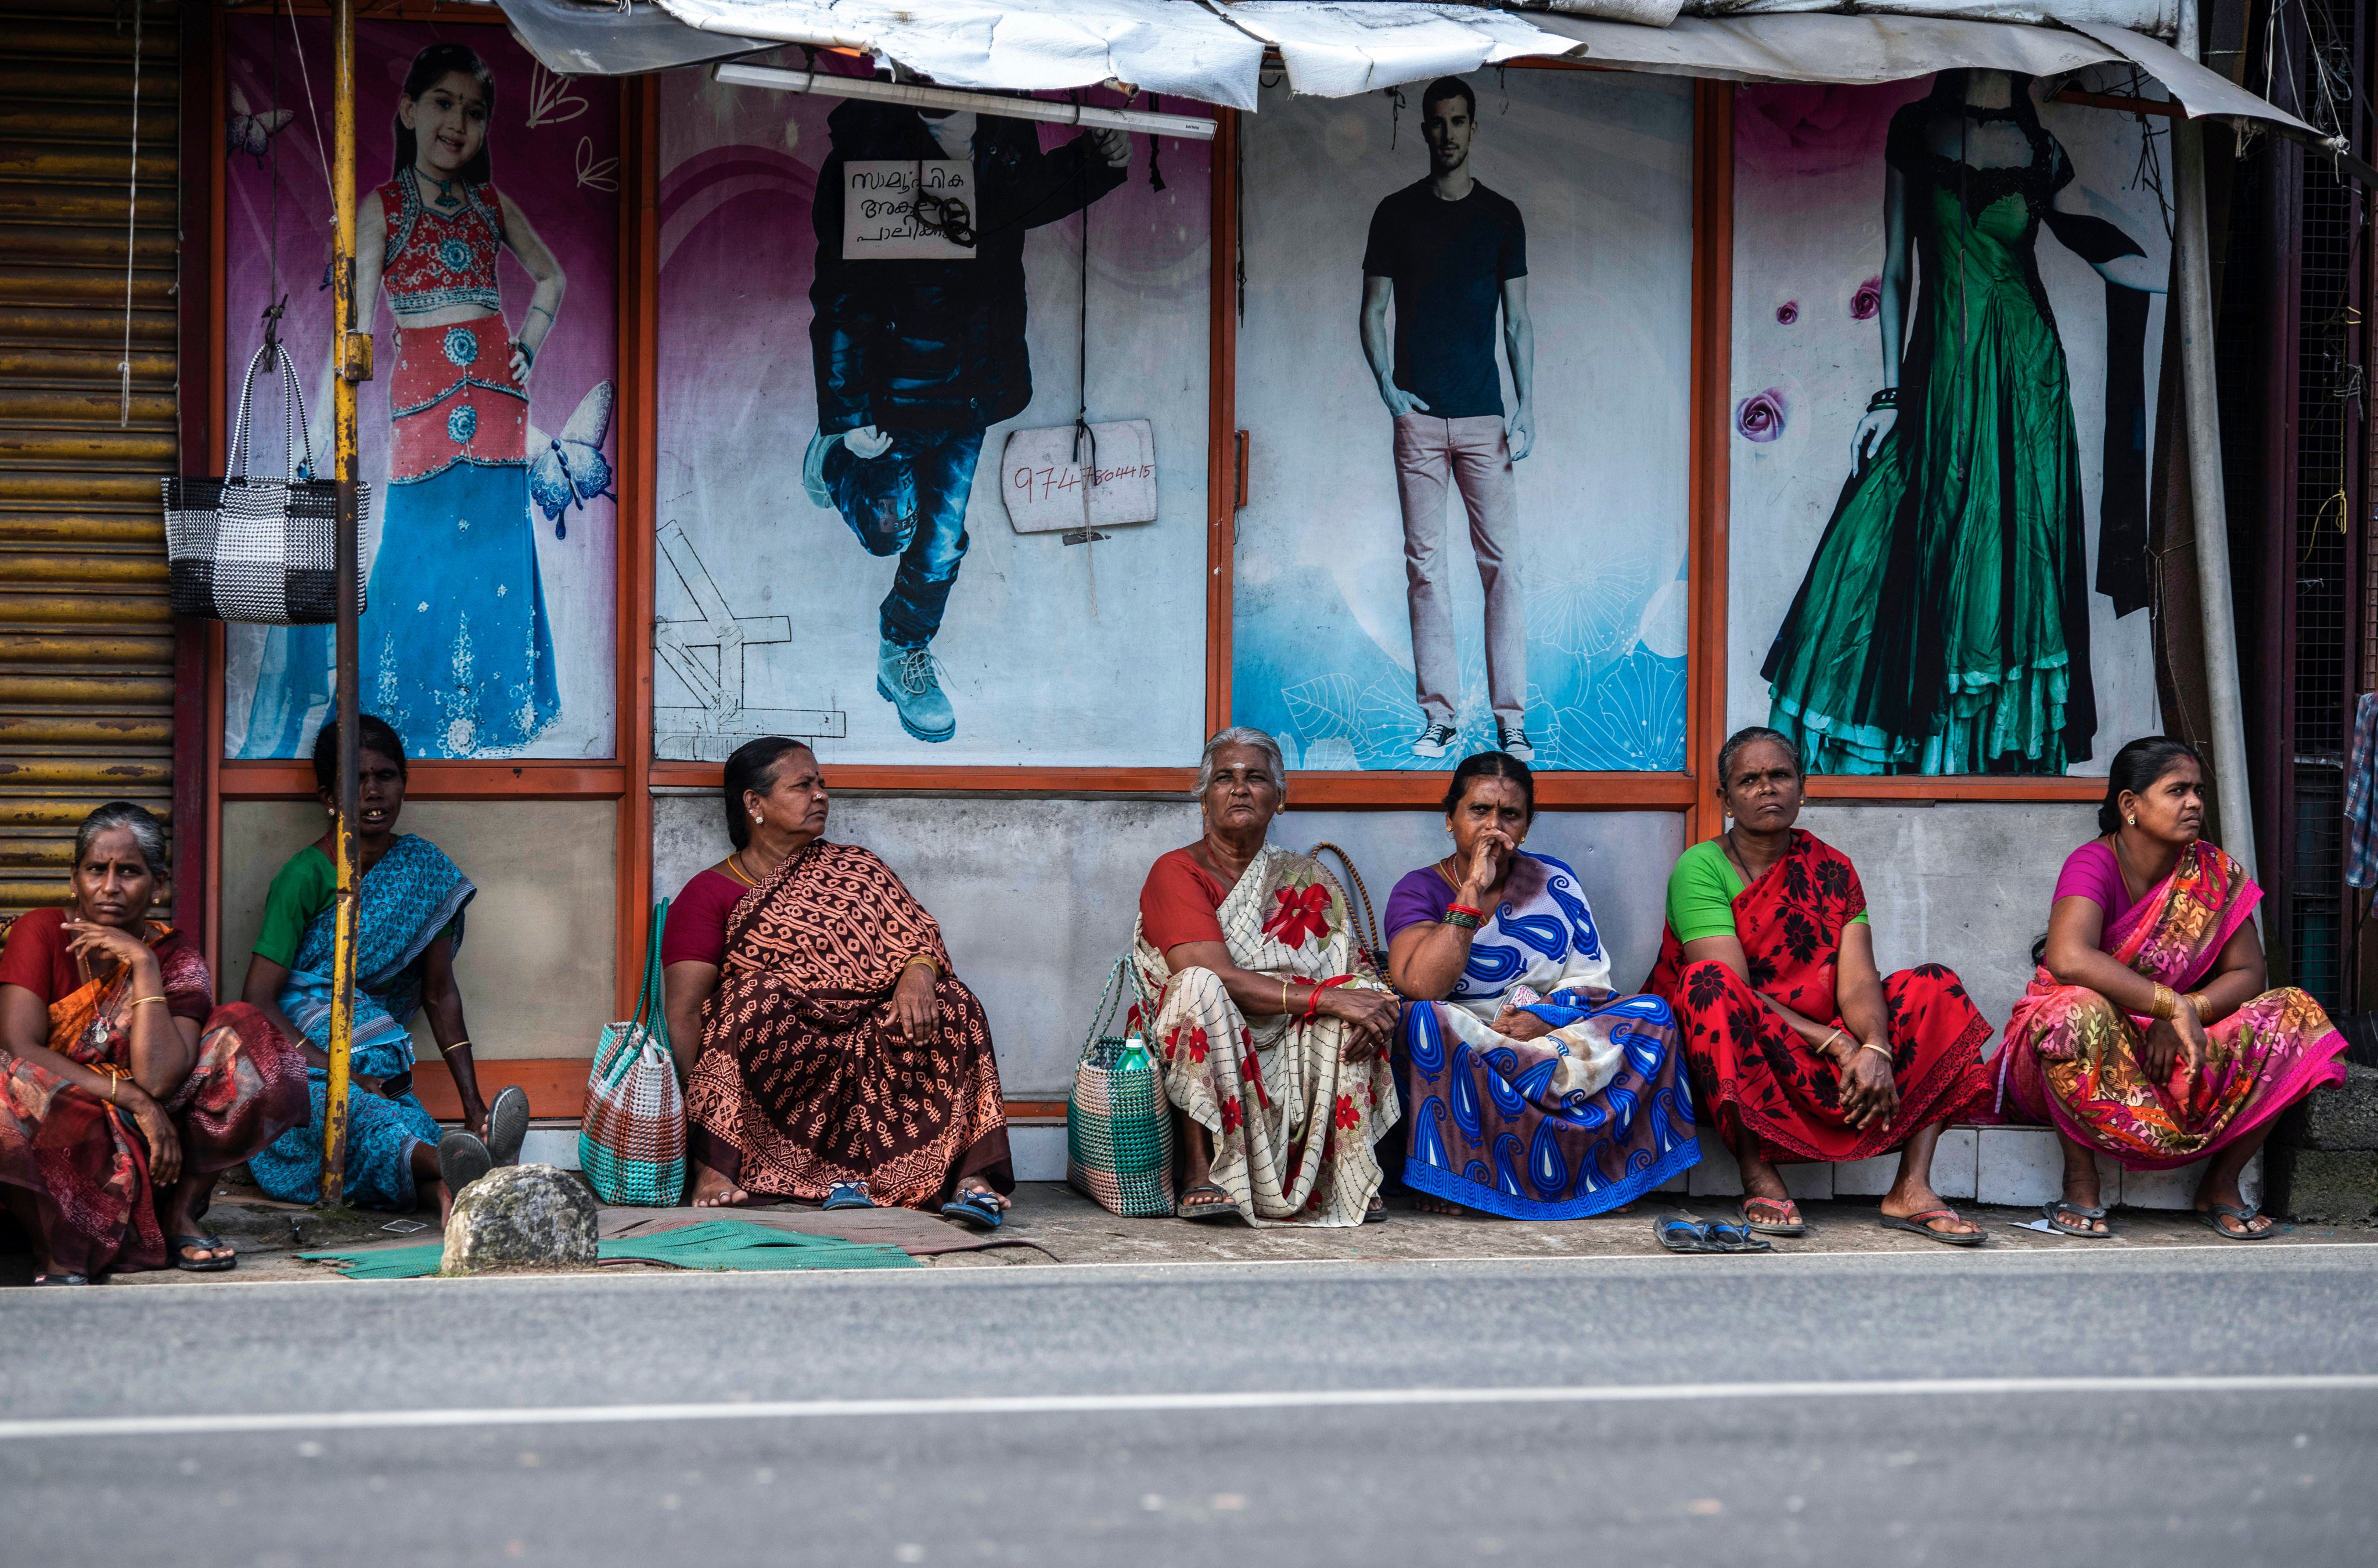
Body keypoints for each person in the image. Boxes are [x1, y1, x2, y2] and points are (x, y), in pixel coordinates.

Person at [1762, 69, 2160, 776]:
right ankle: (1907, 753)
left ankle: (1985, 762)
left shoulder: (2040, 149)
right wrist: (1886, 397)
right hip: (1937, 378)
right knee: (1876, 539)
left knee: (2010, 554)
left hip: (2025, 385)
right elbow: (1896, 273)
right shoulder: (1916, 129)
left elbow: (2092, 242)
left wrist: (2179, 273)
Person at [240, 42, 571, 759]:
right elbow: (353, 329)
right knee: (411, 559)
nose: (459, 123)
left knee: (494, 566)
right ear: (408, 109)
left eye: (475, 112)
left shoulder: (490, 203)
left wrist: (528, 348)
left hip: (498, 405)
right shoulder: (383, 206)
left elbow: (552, 279)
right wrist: (323, 436)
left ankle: (484, 726)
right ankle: (399, 724)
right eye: (445, 104)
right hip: (420, 400)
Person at [804, 102, 1131, 745]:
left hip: (975, 387)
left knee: (941, 543)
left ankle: (903, 653)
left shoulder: (1004, 123)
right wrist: (847, 417)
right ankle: (833, 460)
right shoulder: (870, 144)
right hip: (892, 393)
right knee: (886, 529)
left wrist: (1095, 162)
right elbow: (840, 290)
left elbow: (1020, 202)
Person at [1645, 728, 1997, 1242]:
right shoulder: (1700, 868)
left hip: (1834, 1046)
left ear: (1802, 787)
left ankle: (1911, 1187)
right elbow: (1733, 991)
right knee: (1708, 983)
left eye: (1779, 775)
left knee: (1935, 986)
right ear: (1724, 800)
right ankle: (1756, 1171)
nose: (1766, 788)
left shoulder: (1832, 869)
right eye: (1748, 780)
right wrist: (1839, 1044)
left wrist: (1873, 1047)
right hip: (1738, 1050)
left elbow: (1857, 984)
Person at [1999, 737, 2346, 1238]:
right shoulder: (2092, 863)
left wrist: (2185, 1012)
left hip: (2177, 1045)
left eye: (2198, 791)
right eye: (2177, 791)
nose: (2194, 804)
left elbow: (2250, 974)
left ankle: (2220, 1184)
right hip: (2080, 1047)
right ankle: (2079, 1181)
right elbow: (2068, 957)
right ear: (2129, 805)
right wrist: (2163, 1005)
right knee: (2074, 1008)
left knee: (2296, 1011)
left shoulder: (2211, 872)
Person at [671, 736, 1013, 1226]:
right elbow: (684, 1010)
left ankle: (969, 1177)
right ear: (754, 803)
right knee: (750, 996)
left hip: (877, 1031)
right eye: (803, 785)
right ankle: (714, 1169)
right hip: (787, 1048)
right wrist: (699, 1121)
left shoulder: (857, 868)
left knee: (953, 1000)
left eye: (822, 784)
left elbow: (916, 936)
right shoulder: (708, 893)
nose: (821, 796)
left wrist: (916, 973)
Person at [0, 805, 307, 1282]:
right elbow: (20, 1048)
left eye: (129, 872)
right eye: (96, 870)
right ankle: (54, 1248)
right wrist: (134, 1100)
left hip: (160, 1155)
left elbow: (161, 1079)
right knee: (8, 1082)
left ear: (158, 884)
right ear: (74, 878)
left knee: (246, 1030)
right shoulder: (40, 932)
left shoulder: (175, 957)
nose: (110, 887)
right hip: (65, 1130)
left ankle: (181, 1213)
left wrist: (143, 963)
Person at [1384, 752, 1699, 1217]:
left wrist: (1542, 1017)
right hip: (1469, 1044)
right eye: (1478, 811)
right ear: (1449, 818)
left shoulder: (1554, 881)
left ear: (1526, 827)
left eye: (1509, 815)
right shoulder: (1419, 888)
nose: (1494, 827)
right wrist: (1470, 890)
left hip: (1550, 1033)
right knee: (1420, 1019)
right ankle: (1458, 1177)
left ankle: (1595, 1178)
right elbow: (1422, 985)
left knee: (1652, 1014)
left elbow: (1591, 981)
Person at [243, 717, 525, 1219]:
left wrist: (474, 1105)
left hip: (378, 1063)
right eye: (356, 780)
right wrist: (338, 1072)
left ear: (404, 784)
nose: (373, 792)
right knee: (363, 1116)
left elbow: (440, 995)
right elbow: (259, 1000)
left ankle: (455, 1181)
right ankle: (470, 1166)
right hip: (302, 1065)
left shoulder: (423, 872)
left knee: (400, 1123)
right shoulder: (304, 876)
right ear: (328, 796)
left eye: (386, 777)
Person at [1134, 728, 1402, 1225]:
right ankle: (1202, 1169)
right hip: (1208, 1022)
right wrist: (1328, 1000)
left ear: (1279, 800)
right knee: (1199, 988)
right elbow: (1208, 971)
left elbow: (1354, 966)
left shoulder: (1309, 877)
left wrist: (1371, 1002)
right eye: (1224, 778)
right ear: (1203, 798)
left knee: (1360, 998)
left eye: (1255, 778)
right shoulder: (1176, 871)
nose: (1239, 788)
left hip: (1293, 1027)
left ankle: (1346, 1173)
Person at [1359, 75, 1535, 764]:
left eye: (1458, 121)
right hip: (1421, 421)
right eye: (1437, 122)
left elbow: (1518, 321)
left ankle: (1510, 723)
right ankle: (1439, 719)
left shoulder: (1501, 216)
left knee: (1504, 570)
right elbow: (1373, 309)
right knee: (1426, 571)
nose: (1448, 133)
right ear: (1425, 128)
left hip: (1486, 417)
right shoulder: (1396, 214)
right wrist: (1386, 388)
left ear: (1473, 127)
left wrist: (1529, 407)